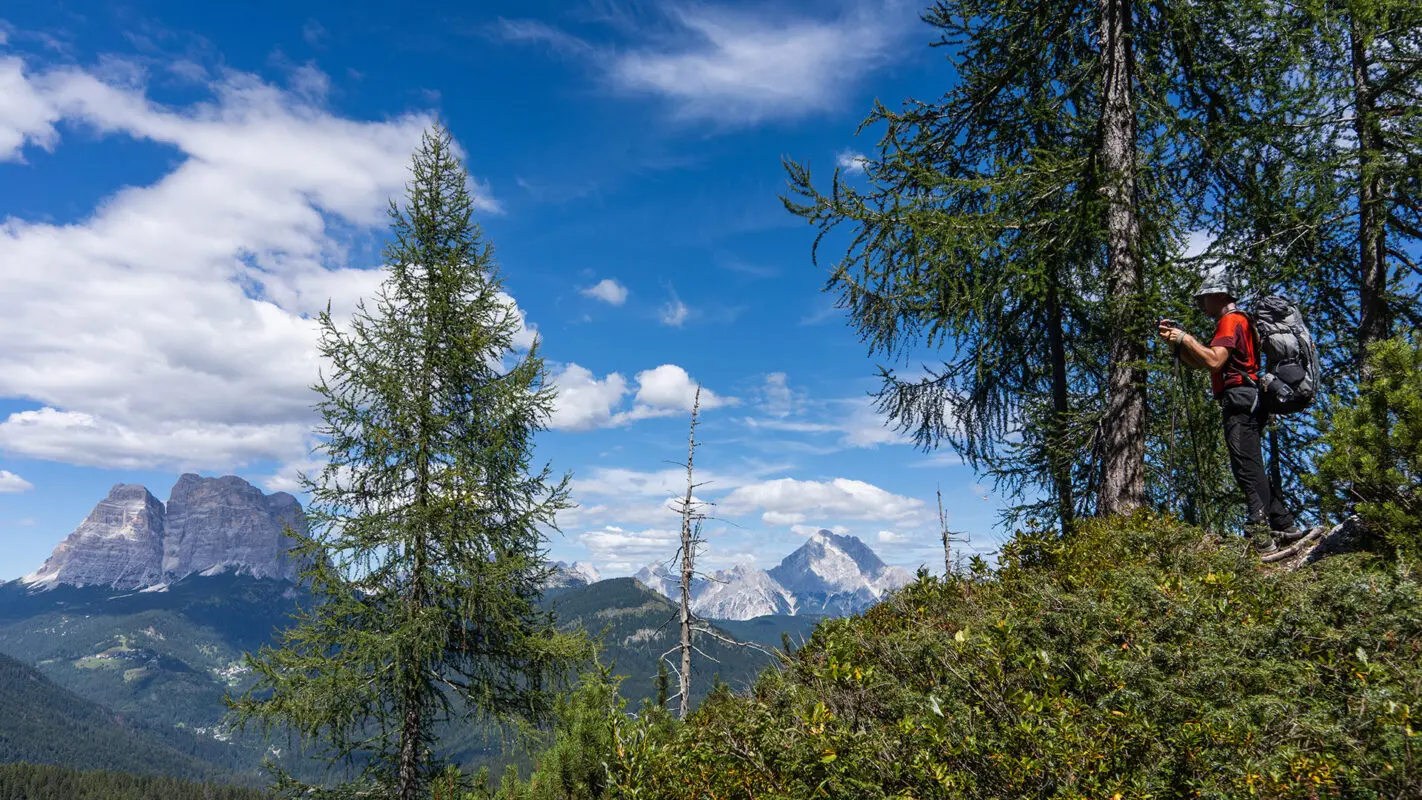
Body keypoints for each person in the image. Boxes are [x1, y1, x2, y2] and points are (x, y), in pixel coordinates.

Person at [1157, 275, 1306, 553]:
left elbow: (1213, 361)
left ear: (1220, 296)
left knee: (1246, 469)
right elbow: (1203, 363)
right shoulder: (1241, 321)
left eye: (1204, 297)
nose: (1201, 303)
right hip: (1248, 400)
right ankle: (1284, 524)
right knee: (1251, 465)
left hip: (1240, 402)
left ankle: (1260, 536)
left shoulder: (1231, 320)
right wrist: (1176, 343)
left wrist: (1185, 337)